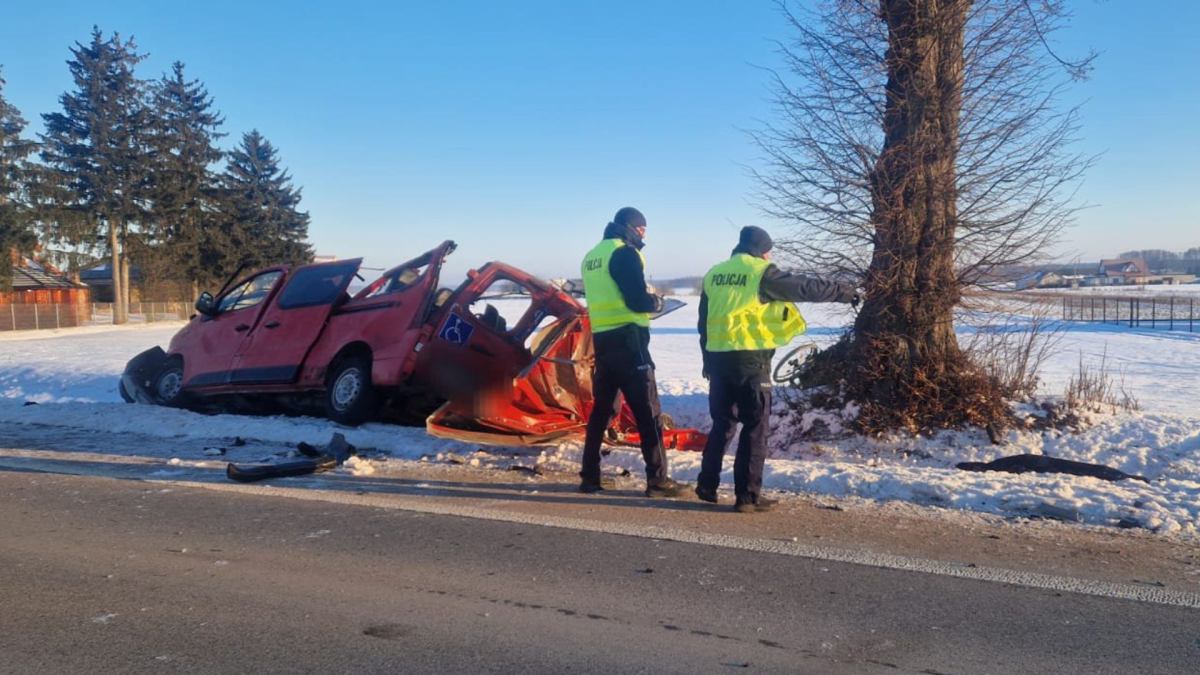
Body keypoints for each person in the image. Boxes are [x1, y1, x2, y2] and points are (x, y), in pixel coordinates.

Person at [696, 226, 858, 513]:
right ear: (762, 249)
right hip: (750, 361)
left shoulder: (714, 274)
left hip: (718, 361)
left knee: (723, 423)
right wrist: (843, 293)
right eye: (769, 249)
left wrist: (707, 362)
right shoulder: (761, 273)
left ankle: (706, 485)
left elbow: (703, 323)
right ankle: (747, 497)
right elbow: (804, 287)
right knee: (755, 428)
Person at [578, 207, 687, 498]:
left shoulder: (591, 257)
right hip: (630, 341)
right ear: (632, 228)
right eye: (642, 230)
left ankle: (589, 476)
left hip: (602, 341)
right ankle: (658, 480)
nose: (644, 235)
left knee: (601, 411)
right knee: (647, 411)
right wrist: (656, 302)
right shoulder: (624, 253)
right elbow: (637, 301)